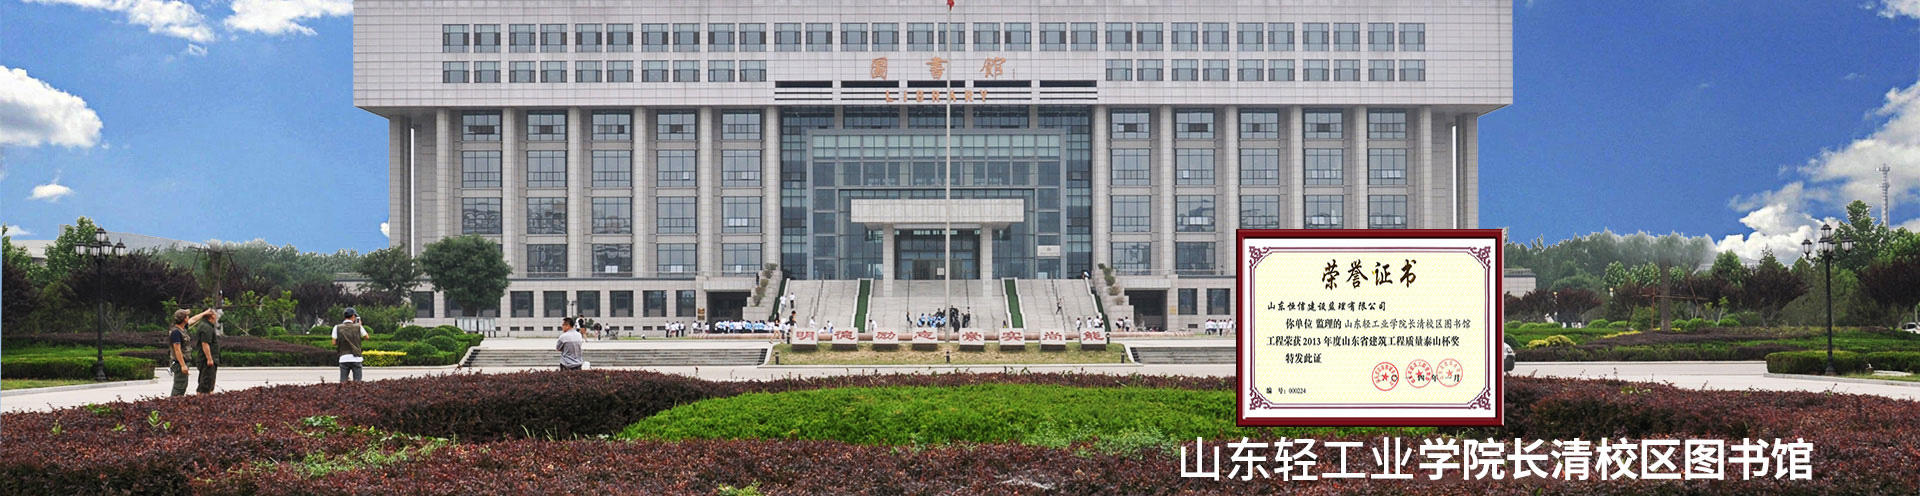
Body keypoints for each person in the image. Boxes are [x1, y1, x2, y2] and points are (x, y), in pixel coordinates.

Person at [166, 309, 206, 396]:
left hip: (182, 362)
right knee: (179, 387)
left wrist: (204, 313)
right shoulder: (176, 332)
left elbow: (193, 320)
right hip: (179, 363)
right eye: (187, 316)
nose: (189, 317)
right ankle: (173, 402)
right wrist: (183, 365)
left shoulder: (182, 328)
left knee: (182, 386)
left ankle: (176, 402)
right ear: (184, 319)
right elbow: (177, 350)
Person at [332, 307, 371, 383]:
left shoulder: (337, 327)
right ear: (353, 316)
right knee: (357, 383)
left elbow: (333, 343)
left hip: (343, 358)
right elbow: (367, 337)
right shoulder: (358, 327)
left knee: (343, 382)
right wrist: (359, 326)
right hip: (356, 358)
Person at [193, 309, 222, 394]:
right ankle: (203, 400)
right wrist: (209, 359)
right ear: (212, 315)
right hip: (206, 360)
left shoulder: (208, 326)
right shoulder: (206, 327)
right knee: (205, 385)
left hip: (209, 359)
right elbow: (205, 343)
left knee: (209, 383)